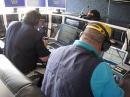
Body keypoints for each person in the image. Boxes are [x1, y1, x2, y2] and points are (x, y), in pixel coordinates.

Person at [41, 22, 124, 97]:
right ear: (105, 45)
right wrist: (122, 84)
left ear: (81, 35)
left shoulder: (56, 52)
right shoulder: (99, 67)